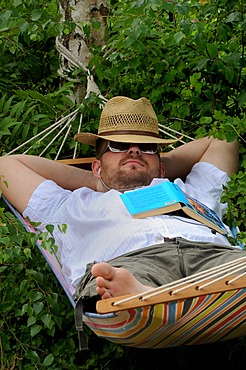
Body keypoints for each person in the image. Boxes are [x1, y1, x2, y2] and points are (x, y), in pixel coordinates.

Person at [0, 96, 244, 310]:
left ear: (162, 166)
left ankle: (148, 296)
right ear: (96, 166)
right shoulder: (70, 207)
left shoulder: (189, 190)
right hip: (131, 263)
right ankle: (139, 292)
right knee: (118, 278)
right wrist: (95, 180)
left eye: (146, 147)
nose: (134, 151)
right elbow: (6, 166)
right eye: (119, 146)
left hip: (212, 257)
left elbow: (225, 140)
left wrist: (155, 168)